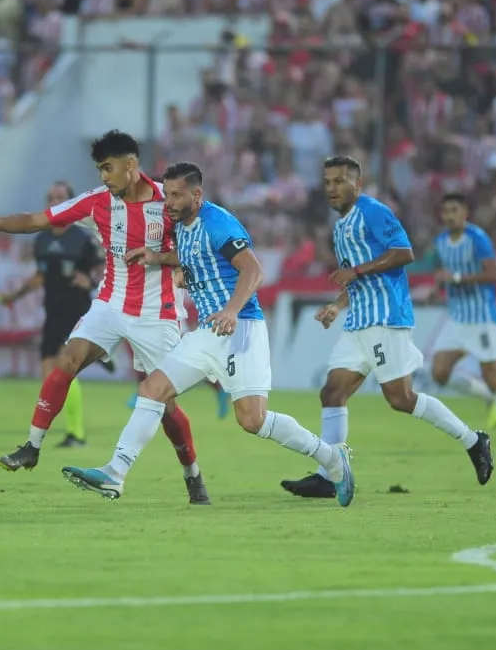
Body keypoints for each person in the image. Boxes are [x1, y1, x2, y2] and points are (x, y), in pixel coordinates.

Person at [61, 161, 354, 507]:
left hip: (241, 328)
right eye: (166, 193)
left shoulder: (219, 223)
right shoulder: (183, 224)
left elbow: (253, 270)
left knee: (252, 420)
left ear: (197, 195)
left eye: (176, 195)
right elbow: (191, 255)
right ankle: (115, 473)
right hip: (207, 332)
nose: (167, 201)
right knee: (152, 389)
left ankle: (333, 458)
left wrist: (231, 310)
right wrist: (158, 257)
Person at [0, 130, 211, 505]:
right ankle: (31, 446)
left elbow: (197, 254)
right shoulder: (97, 202)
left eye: (108, 168)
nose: (103, 177)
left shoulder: (169, 201)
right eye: (99, 169)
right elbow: (38, 220)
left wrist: (163, 259)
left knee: (166, 406)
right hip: (109, 305)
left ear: (131, 166)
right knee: (67, 360)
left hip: (157, 315)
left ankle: (192, 475)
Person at [280, 156, 492, 499]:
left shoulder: (374, 211)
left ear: (357, 184)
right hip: (357, 322)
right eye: (328, 182)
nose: (332, 188)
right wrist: (336, 305)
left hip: (385, 319)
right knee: (332, 393)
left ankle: (473, 441)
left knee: (400, 398)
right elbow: (353, 279)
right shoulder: (339, 228)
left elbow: (404, 252)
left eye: (339, 181)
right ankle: (329, 474)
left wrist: (358, 271)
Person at [0, 181, 105, 448]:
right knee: (49, 374)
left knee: (63, 368)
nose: (54, 200)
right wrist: (15, 296)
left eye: (60, 196)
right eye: (50, 197)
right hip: (52, 311)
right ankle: (64, 431)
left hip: (76, 310)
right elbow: (41, 276)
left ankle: (76, 434)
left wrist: (91, 283)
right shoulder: (42, 239)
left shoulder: (83, 239)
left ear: (71, 201)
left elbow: (106, 269)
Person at [429, 193, 496, 451]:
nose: (449, 215)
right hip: (457, 318)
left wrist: (456, 279)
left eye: (454, 210)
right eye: (446, 210)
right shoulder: (440, 241)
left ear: (465, 212)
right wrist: (435, 289)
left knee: (493, 376)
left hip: (482, 318)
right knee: (439, 373)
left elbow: (494, 273)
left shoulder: (477, 238)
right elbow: (443, 274)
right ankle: (485, 396)